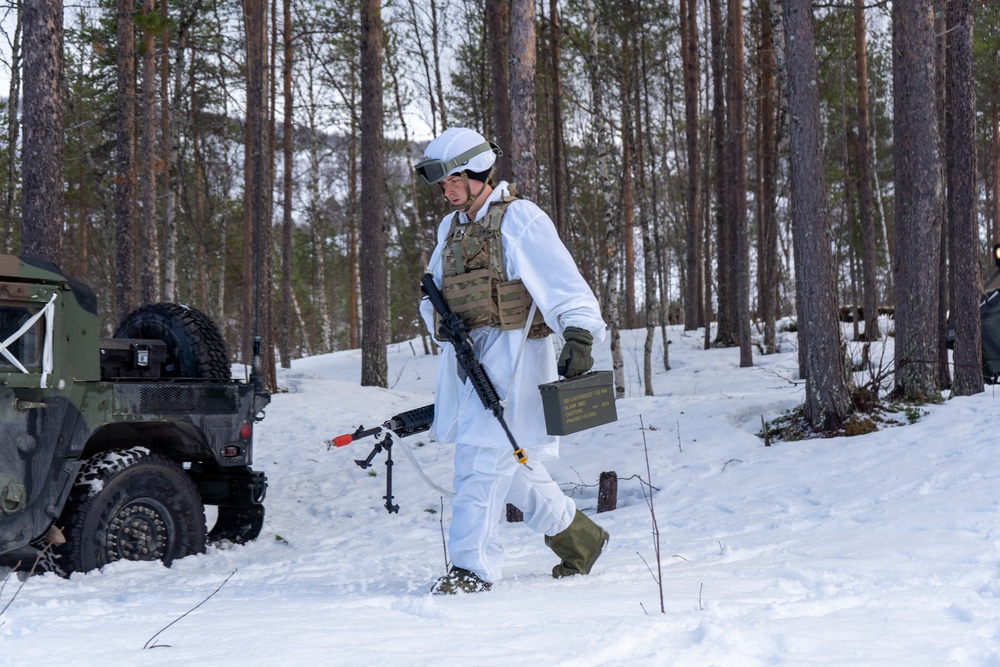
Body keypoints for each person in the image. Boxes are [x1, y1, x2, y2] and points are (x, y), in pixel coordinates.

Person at [414, 127, 609, 594]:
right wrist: (443, 326)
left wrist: (579, 333)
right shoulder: (452, 228)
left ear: (479, 173)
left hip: (516, 358)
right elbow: (435, 295)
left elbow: (562, 282)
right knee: (511, 464)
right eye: (443, 183)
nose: (448, 191)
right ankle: (581, 539)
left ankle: (472, 569)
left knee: (480, 465)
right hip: (470, 360)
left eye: (455, 180)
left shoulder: (520, 219)